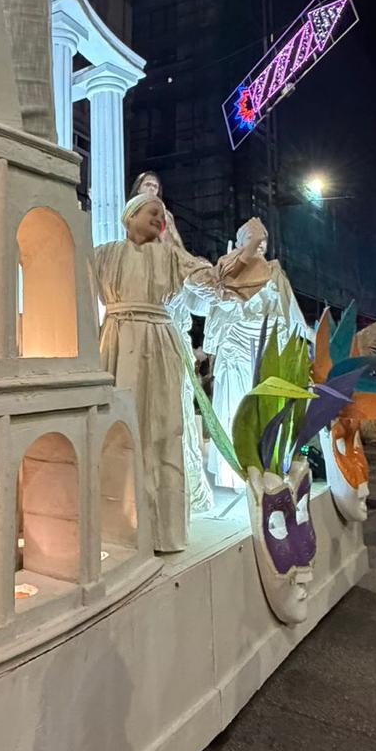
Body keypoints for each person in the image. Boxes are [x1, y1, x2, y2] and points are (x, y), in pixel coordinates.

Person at [93, 193, 261, 552]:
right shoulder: (104, 253)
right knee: (115, 427)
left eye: (163, 216)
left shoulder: (171, 255)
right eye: (152, 212)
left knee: (161, 427)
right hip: (116, 339)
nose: (159, 220)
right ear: (130, 215)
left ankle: (161, 530)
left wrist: (249, 250)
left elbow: (210, 278)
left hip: (158, 339)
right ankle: (115, 527)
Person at [200, 215, 310, 490]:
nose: (259, 246)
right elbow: (215, 308)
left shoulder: (274, 272)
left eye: (263, 242)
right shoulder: (227, 270)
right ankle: (236, 469)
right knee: (236, 404)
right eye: (252, 241)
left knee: (267, 404)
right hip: (236, 345)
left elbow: (289, 311)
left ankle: (268, 466)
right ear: (240, 244)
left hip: (266, 346)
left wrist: (302, 341)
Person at [127, 170, 212, 514]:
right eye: (147, 187)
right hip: (138, 339)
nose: (154, 193)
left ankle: (177, 490)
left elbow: (198, 292)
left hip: (172, 340)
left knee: (174, 412)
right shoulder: (125, 255)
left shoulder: (175, 259)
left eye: (157, 189)